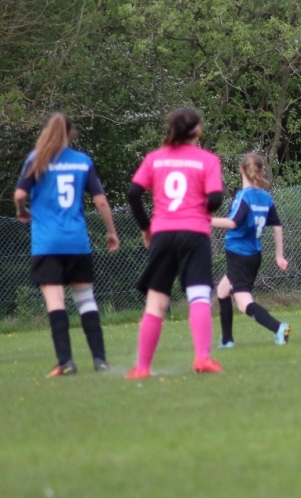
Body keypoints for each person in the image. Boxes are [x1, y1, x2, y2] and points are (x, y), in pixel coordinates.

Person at [13, 113, 120, 376]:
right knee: (86, 300)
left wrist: (21, 210)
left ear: (47, 131)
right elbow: (101, 201)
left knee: (55, 302)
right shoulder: (82, 161)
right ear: (70, 133)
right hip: (76, 242)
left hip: (47, 244)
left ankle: (66, 363)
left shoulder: (36, 158)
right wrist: (111, 232)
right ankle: (100, 360)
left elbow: (19, 194)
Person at [125, 108, 225, 378]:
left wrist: (146, 228)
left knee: (156, 302)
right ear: (198, 132)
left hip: (163, 234)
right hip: (194, 234)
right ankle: (202, 358)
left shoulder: (155, 158)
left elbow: (133, 193)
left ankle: (142, 368)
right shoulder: (207, 160)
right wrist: (200, 211)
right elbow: (216, 199)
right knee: (198, 296)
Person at [211, 153, 290, 348]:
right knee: (222, 291)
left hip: (239, 254)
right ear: (261, 171)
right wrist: (279, 255)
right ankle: (227, 340)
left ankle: (278, 327)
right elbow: (277, 225)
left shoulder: (244, 196)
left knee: (243, 302)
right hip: (253, 254)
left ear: (241, 170)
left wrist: (204, 220)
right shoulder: (265, 197)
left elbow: (232, 222)